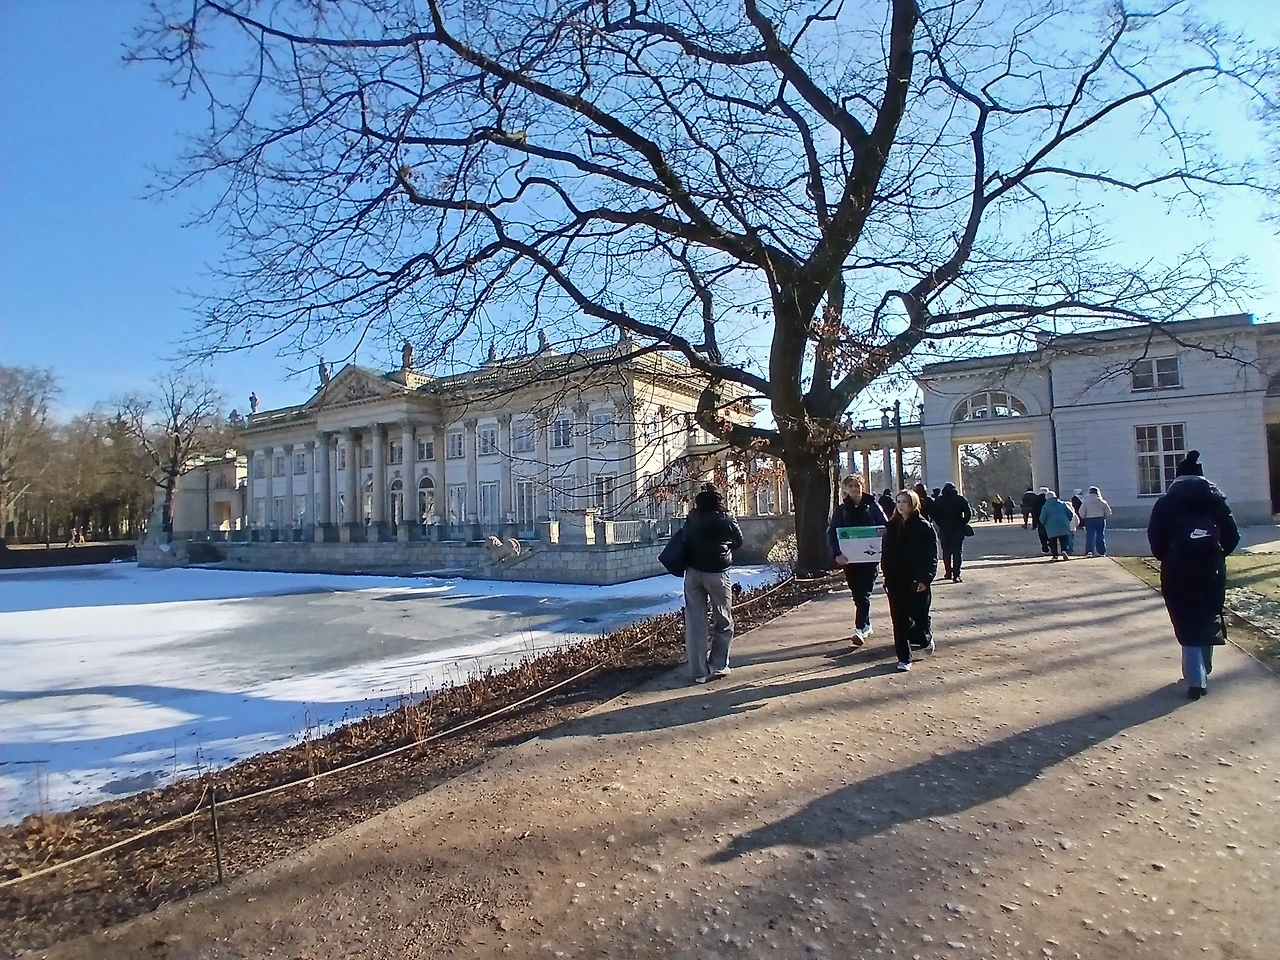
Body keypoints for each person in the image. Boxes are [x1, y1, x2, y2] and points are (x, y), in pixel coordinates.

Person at [1147, 451, 1240, 700]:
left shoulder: (1166, 503)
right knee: (1207, 616)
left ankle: (1196, 679)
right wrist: (1217, 555)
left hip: (1177, 569)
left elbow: (1156, 539)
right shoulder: (1216, 501)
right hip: (1211, 569)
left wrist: (1168, 556)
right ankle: (1204, 669)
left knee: (1185, 620)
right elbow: (1233, 536)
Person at [681, 484, 745, 684]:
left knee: (695, 622)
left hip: (693, 572)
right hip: (717, 573)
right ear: (719, 501)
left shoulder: (692, 516)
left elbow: (685, 538)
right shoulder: (726, 517)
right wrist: (726, 546)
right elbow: (739, 540)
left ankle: (698, 672)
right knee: (723, 619)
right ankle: (718, 665)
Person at [881, 489, 939, 671]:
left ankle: (924, 637)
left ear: (913, 504)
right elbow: (886, 554)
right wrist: (887, 576)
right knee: (899, 620)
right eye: (898, 501)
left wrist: (925, 578)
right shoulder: (891, 527)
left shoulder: (924, 527)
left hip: (917, 579)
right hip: (896, 579)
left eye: (904, 501)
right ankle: (904, 658)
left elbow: (932, 556)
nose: (900, 505)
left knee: (920, 617)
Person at [828, 474, 888, 646]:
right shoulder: (841, 510)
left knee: (864, 593)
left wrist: (881, 542)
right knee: (857, 594)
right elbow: (832, 533)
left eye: (857, 485)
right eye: (851, 486)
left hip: (870, 559)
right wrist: (837, 554)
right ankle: (866, 624)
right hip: (849, 559)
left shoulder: (873, 505)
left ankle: (859, 628)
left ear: (863, 487)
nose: (854, 489)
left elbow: (885, 526)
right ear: (846, 489)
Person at [930, 482, 972, 582]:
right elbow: (968, 513)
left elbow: (934, 514)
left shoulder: (939, 500)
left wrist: (940, 523)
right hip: (958, 528)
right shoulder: (960, 499)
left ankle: (948, 572)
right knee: (957, 552)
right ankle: (956, 575)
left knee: (946, 552)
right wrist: (963, 522)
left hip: (944, 529)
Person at [1038, 491, 1076, 561]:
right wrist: (1068, 520)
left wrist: (1044, 524)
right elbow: (1070, 513)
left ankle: (1055, 555)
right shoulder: (1063, 504)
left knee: (1052, 541)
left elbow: (1042, 518)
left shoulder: (1045, 507)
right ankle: (1064, 550)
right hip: (1063, 524)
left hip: (1051, 526)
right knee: (1064, 539)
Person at [1077, 486, 1113, 557]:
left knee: (1090, 536)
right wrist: (1104, 515)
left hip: (1089, 520)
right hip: (1100, 519)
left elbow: (1081, 512)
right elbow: (1108, 512)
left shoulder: (1086, 502)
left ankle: (1089, 551)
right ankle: (1101, 552)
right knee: (1100, 535)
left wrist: (1084, 517)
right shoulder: (1102, 502)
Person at [1032, 486, 1050, 552]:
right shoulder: (1049, 499)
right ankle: (1051, 544)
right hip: (1049, 519)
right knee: (1050, 533)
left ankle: (1044, 546)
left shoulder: (1035, 500)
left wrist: (1034, 524)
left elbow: (1034, 512)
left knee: (1042, 534)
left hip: (1039, 519)